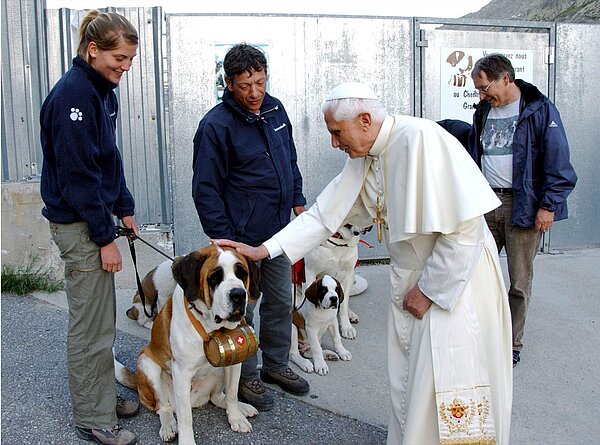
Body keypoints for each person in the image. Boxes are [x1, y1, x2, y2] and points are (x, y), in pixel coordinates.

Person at [216, 81, 513, 444]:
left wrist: (430, 290)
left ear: (366, 120)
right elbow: (324, 216)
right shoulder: (368, 155)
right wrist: (263, 251)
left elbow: (464, 231)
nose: (334, 143)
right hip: (419, 277)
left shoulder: (422, 140)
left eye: (336, 132)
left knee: (451, 376)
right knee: (416, 378)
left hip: (455, 281)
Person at [40, 10, 140, 445]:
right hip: (79, 225)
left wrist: (125, 208)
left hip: (95, 216)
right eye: (118, 58)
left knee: (103, 321)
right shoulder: (73, 97)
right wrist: (104, 238)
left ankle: (99, 394)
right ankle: (93, 417)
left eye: (130, 61)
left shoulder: (102, 91)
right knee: (90, 327)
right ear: (92, 49)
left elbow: (108, 159)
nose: (124, 68)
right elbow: (78, 176)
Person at [192, 43, 309, 411]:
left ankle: (276, 365)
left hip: (278, 233)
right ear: (228, 83)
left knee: (279, 300)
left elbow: (289, 158)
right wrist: (223, 239)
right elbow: (205, 187)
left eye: (260, 82)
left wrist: (298, 200)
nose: (255, 92)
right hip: (239, 238)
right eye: (245, 85)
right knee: (244, 306)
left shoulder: (275, 109)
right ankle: (246, 376)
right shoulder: (215, 126)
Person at [468, 54, 577, 367]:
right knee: (475, 272)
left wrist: (549, 206)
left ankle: (511, 343)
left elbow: (559, 161)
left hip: (525, 205)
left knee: (518, 281)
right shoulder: (484, 111)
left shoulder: (539, 109)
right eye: (477, 90)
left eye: (484, 87)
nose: (481, 95)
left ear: (505, 78)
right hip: (486, 201)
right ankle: (479, 334)